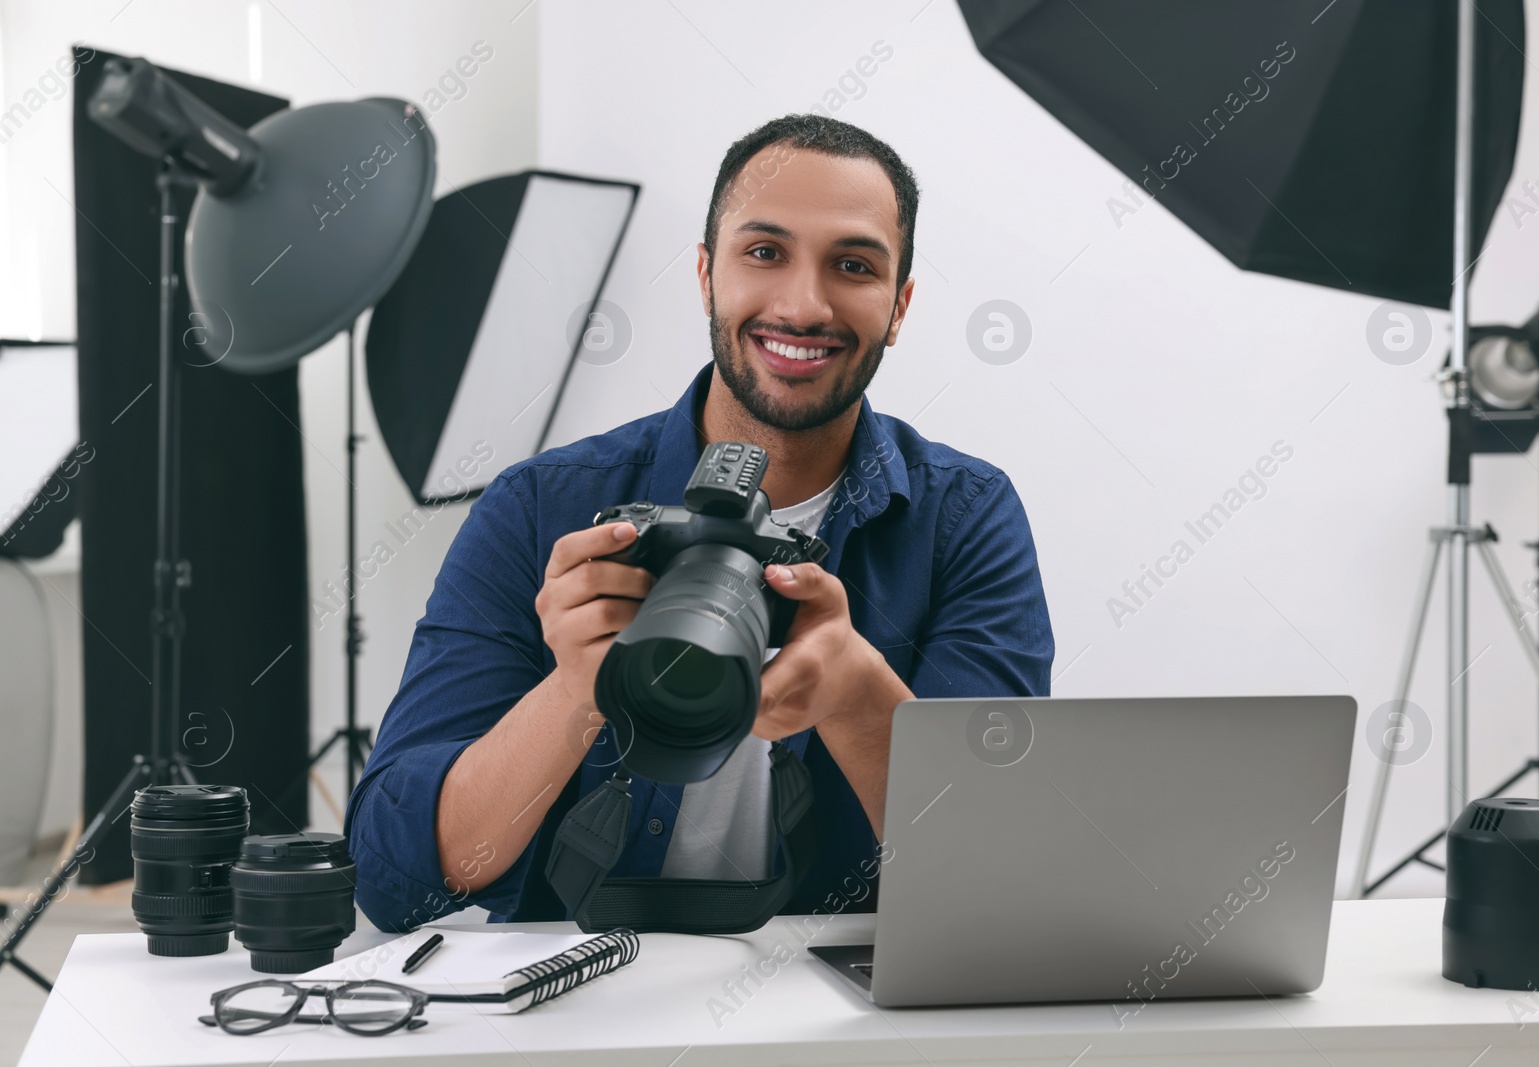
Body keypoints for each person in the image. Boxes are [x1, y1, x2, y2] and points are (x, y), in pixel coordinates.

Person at [347, 113, 1054, 931]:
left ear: (897, 308)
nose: (802, 303)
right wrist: (578, 688)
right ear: (705, 275)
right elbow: (397, 882)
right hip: (578, 1008)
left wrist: (858, 694)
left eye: (853, 266)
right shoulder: (544, 508)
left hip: (838, 1021)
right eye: (763, 252)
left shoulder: (963, 518)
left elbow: (997, 875)